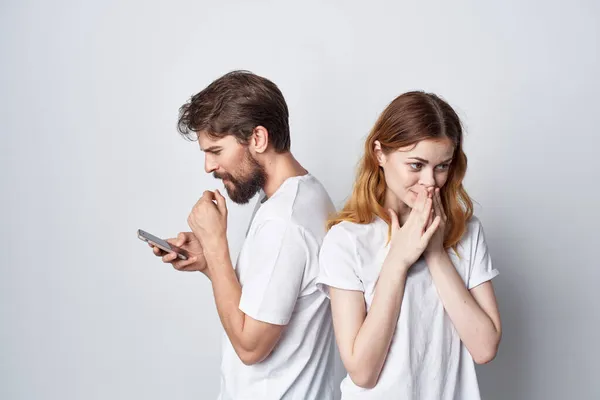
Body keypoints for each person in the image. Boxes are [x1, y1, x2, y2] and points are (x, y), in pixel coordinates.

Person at [150, 71, 336, 399]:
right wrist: (209, 261)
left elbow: (251, 347)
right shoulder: (296, 197)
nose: (208, 166)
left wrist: (217, 245)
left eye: (217, 151)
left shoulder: (284, 223)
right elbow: (260, 305)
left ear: (258, 139)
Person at [316, 91, 502, 399]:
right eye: (416, 165)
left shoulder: (467, 233)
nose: (430, 181)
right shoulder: (346, 241)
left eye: (442, 166)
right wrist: (398, 260)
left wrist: (435, 252)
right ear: (379, 154)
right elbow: (362, 372)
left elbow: (484, 348)